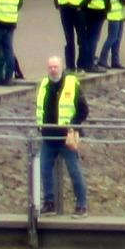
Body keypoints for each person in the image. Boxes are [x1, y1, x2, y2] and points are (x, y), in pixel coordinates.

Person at [32, 61, 90, 215]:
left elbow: (84, 110)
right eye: (50, 67)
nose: (53, 70)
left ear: (61, 68)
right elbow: (39, 109)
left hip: (66, 137)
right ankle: (49, 203)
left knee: (74, 170)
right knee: (45, 170)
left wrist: (73, 125)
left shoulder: (71, 84)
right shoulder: (44, 84)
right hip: (48, 136)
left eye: (55, 67)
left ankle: (82, 205)